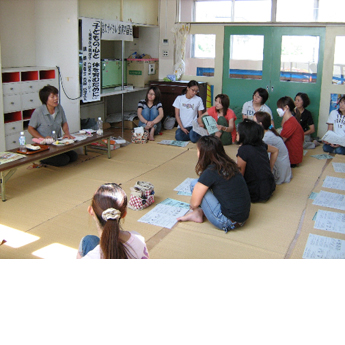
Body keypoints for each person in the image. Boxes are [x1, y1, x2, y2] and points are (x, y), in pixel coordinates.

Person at [177, 136, 250, 233]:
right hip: (242, 217)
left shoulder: (211, 171)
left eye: (198, 150)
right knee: (205, 186)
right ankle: (198, 213)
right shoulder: (229, 164)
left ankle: (197, 213)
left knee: (195, 184)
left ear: (203, 154)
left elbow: (194, 203)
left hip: (227, 221)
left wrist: (193, 206)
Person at [77, 183, 149, 259]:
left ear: (90, 210)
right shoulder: (139, 239)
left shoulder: (90, 258)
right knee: (89, 239)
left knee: (86, 241)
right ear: (124, 214)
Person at [28, 85, 78, 166]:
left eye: (56, 95)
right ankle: (42, 159)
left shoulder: (59, 108)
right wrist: (42, 139)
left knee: (74, 156)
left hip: (56, 143)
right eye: (53, 96)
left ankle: (55, 155)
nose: (56, 98)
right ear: (45, 99)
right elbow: (30, 128)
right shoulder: (39, 111)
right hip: (44, 147)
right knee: (64, 160)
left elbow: (64, 122)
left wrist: (67, 133)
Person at [236, 119, 277, 203]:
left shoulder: (243, 150)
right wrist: (270, 168)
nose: (236, 133)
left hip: (255, 193)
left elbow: (240, 176)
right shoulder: (261, 145)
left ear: (245, 135)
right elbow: (275, 150)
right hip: (270, 187)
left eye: (238, 132)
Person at [254, 111, 292, 185]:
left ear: (260, 124)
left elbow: (264, 158)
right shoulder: (267, 133)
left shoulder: (267, 137)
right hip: (282, 166)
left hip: (279, 170)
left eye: (254, 122)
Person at [277, 96, 305, 167]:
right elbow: (283, 125)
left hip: (292, 158)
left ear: (286, 107)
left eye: (279, 108)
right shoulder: (290, 119)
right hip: (293, 155)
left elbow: (281, 141)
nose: (278, 110)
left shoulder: (290, 123)